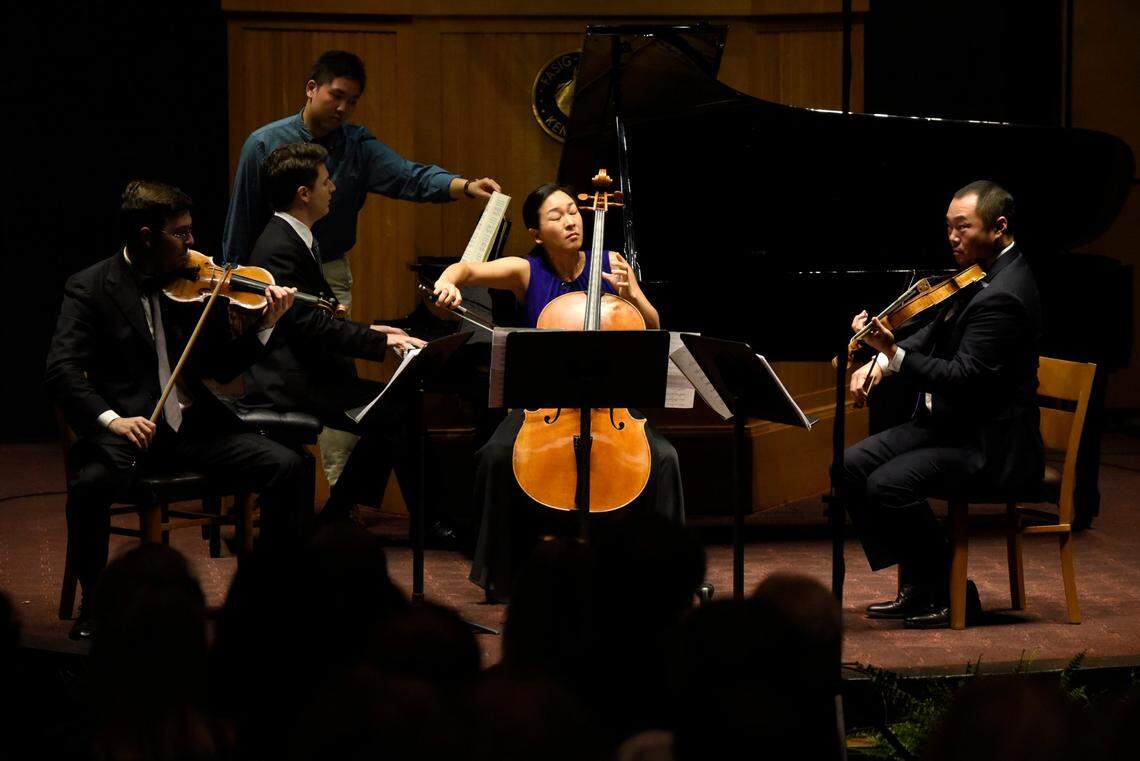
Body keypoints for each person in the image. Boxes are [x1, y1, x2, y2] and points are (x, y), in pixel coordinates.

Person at [223, 49, 501, 486]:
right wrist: (239, 293)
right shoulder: (264, 146)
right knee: (349, 387)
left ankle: (341, 496)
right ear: (311, 88)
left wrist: (464, 186)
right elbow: (241, 229)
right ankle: (338, 500)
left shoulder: (356, 143)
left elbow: (408, 176)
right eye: (336, 96)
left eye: (352, 101)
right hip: (271, 278)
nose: (343, 108)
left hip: (324, 268)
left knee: (355, 387)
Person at [45, 180, 305, 640]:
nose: (193, 244)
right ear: (146, 236)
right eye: (181, 234)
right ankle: (96, 600)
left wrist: (264, 324)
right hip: (128, 434)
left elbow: (222, 369)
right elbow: (62, 371)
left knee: (288, 465)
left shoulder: (192, 283)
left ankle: (266, 593)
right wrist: (113, 419)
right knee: (88, 486)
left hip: (192, 430)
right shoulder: (89, 287)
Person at [431, 182, 684, 601]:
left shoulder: (610, 262)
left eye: (573, 211)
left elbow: (653, 331)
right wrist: (448, 281)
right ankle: (501, 573)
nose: (570, 221)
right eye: (556, 216)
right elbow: (466, 270)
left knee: (666, 459)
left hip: (609, 407)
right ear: (536, 233)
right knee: (495, 455)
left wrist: (633, 294)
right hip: (544, 406)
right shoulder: (525, 271)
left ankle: (668, 571)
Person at [839, 180, 1044, 629]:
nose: (952, 237)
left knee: (888, 485)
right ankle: (920, 582)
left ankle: (954, 590)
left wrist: (895, 356)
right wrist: (881, 361)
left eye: (962, 227)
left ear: (999, 227)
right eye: (948, 227)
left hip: (990, 441)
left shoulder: (1004, 295)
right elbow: (933, 334)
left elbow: (965, 377)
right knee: (851, 466)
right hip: (952, 426)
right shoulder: (978, 272)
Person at [239, 141, 439, 529]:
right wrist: (382, 341)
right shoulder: (278, 245)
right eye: (326, 182)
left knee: (394, 411)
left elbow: (313, 316)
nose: (333, 189)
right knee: (396, 411)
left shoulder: (294, 235)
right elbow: (308, 325)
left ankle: (344, 507)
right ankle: (415, 517)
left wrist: (371, 330)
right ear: (304, 194)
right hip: (289, 382)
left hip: (307, 372)